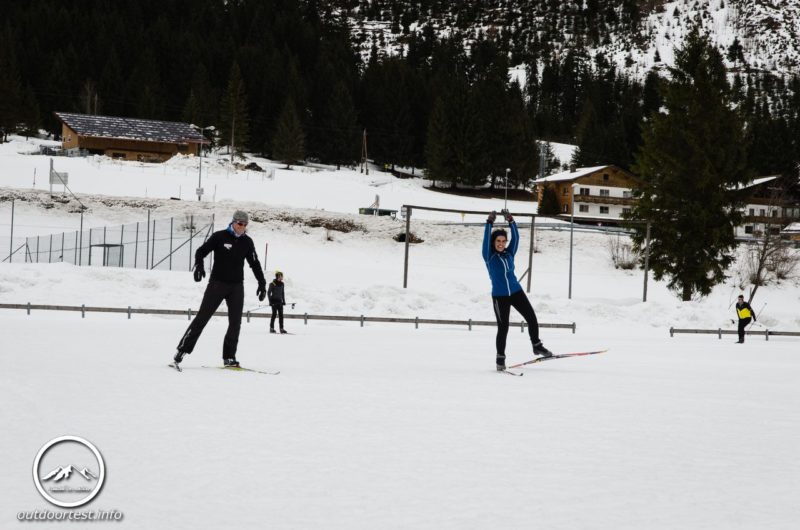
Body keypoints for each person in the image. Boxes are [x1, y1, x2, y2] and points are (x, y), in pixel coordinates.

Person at [173, 210, 267, 368]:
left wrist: (262, 283)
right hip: (217, 284)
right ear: (233, 222)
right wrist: (199, 265)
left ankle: (229, 357)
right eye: (239, 224)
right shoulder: (219, 236)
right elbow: (201, 252)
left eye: (245, 225)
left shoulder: (247, 242)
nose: (242, 227)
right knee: (202, 318)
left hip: (237, 286)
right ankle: (182, 351)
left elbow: (255, 263)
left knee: (235, 323)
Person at [483, 209, 552, 371]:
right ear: (493, 242)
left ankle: (537, 345)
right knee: (503, 327)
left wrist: (511, 220)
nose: (501, 244)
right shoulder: (489, 256)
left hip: (516, 291)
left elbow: (517, 237)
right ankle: (500, 358)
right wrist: (489, 223)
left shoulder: (509, 253)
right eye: (498, 241)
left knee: (532, 317)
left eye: (503, 241)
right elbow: (485, 240)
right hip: (500, 296)